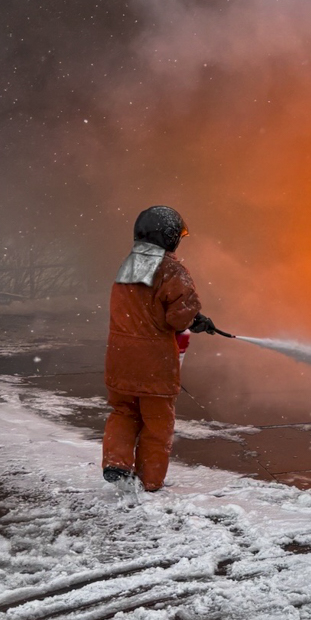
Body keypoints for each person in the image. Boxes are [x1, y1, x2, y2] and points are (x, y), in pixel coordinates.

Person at [102, 205, 224, 492]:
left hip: (120, 358)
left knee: (123, 411)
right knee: (157, 424)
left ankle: (116, 462)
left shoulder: (128, 265)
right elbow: (177, 317)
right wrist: (195, 318)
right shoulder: (171, 270)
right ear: (169, 236)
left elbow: (142, 308)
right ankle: (149, 481)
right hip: (154, 364)